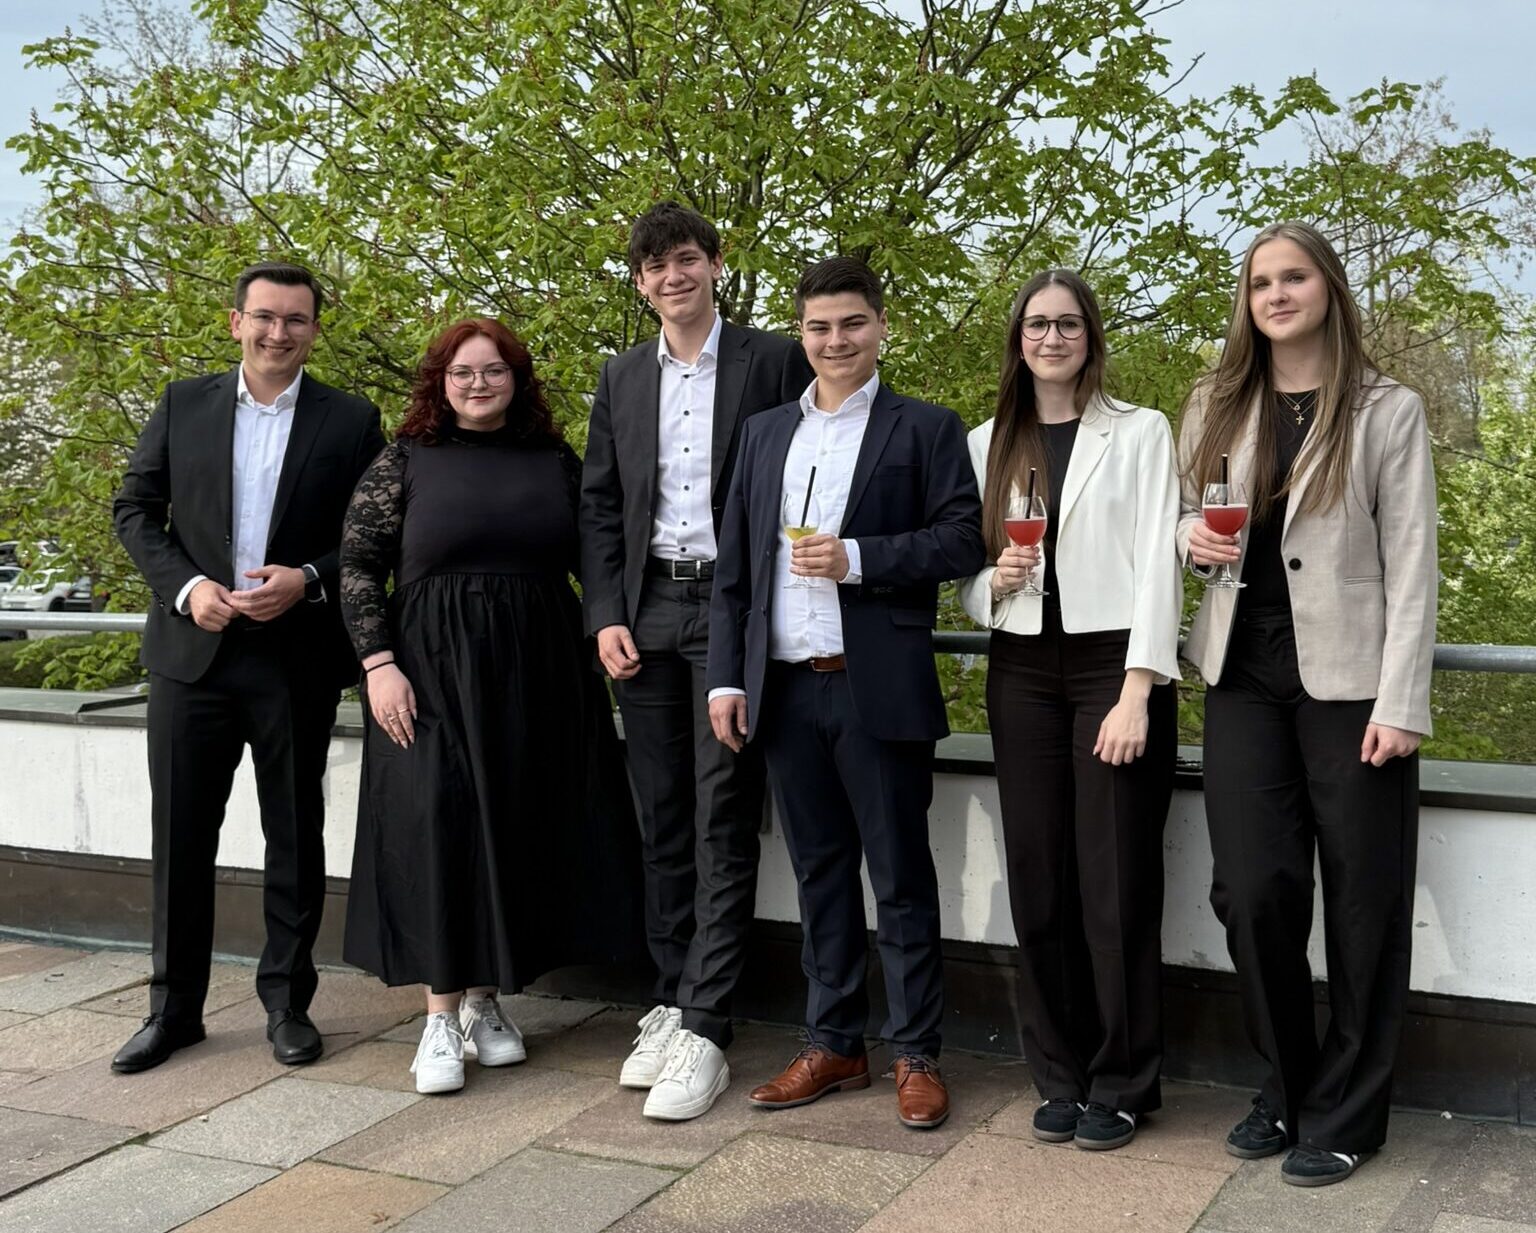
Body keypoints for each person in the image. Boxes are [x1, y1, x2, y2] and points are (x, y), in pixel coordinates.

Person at [1176, 221, 1437, 1187]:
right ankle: (1286, 1087)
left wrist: (1401, 700)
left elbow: (1414, 562)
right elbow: (1183, 513)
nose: (1276, 295)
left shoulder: (1386, 409)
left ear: (1328, 288)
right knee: (1251, 892)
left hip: (1353, 684)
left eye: (1293, 278)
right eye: (1260, 283)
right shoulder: (1215, 399)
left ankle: (1351, 1111)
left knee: (1365, 899)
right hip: (1241, 671)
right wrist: (1187, 539)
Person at [707, 257, 986, 1130]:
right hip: (785, 691)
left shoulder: (926, 427)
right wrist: (726, 676)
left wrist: (857, 559)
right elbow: (734, 568)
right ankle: (833, 1043)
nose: (837, 340)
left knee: (900, 876)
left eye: (853, 323)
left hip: (877, 687)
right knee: (819, 873)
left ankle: (916, 1052)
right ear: (802, 334)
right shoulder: (763, 434)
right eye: (820, 327)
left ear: (882, 327)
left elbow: (962, 540)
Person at [340, 318, 644, 1095]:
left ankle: (483, 1002)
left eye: (495, 370)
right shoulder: (404, 460)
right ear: (440, 383)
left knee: (510, 824)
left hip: (538, 670)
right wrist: (378, 665)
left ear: (517, 379)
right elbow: (359, 566)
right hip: (427, 673)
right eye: (463, 372)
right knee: (439, 824)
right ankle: (439, 1017)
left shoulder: (555, 461)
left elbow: (599, 556)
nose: (479, 384)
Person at [111, 261, 385, 1073]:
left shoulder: (350, 420)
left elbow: (377, 534)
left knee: (294, 835)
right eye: (264, 316)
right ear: (236, 322)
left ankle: (287, 1004)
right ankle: (173, 1011)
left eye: (295, 319)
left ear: (315, 330)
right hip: (191, 658)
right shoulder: (181, 404)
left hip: (294, 658)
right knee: (180, 837)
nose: (278, 332)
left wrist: (308, 578)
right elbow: (134, 510)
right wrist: (187, 588)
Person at [579, 202, 813, 1121]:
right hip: (646, 612)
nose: (672, 277)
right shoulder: (621, 375)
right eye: (654, 267)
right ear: (640, 285)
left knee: (723, 813)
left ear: (715, 263)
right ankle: (673, 1000)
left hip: (730, 607)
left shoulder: (774, 361)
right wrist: (605, 613)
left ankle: (708, 1022)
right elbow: (602, 505)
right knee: (661, 815)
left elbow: (807, 474)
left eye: (685, 259)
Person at [956, 270, 1181, 1150]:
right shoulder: (984, 443)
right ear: (1017, 339)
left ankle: (1123, 1081)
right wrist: (993, 580)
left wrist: (1138, 689)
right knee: (1039, 878)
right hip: (1020, 668)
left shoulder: (1142, 431)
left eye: (1068, 324)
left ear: (1091, 336)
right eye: (1037, 324)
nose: (1052, 337)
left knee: (1114, 881)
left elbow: (1158, 567)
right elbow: (963, 578)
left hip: (1110, 666)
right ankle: (1058, 1074)